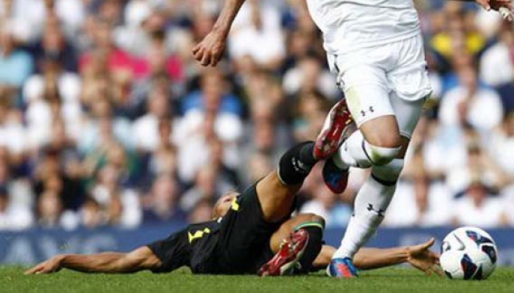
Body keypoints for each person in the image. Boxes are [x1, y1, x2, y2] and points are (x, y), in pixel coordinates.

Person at [192, 0, 514, 278]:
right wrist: (220, 29)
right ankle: (340, 151)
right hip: (355, 46)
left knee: (392, 164)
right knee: (382, 145)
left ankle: (343, 254)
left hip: (405, 44)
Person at [26, 124, 440, 276]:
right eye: (224, 198)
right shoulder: (192, 236)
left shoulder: (260, 232)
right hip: (223, 252)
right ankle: (314, 153)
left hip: (258, 255)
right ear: (216, 210)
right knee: (291, 210)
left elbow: (345, 256)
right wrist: (67, 260)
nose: (227, 196)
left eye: (230, 196)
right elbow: (124, 261)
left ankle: (313, 155)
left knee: (311, 223)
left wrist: (405, 254)